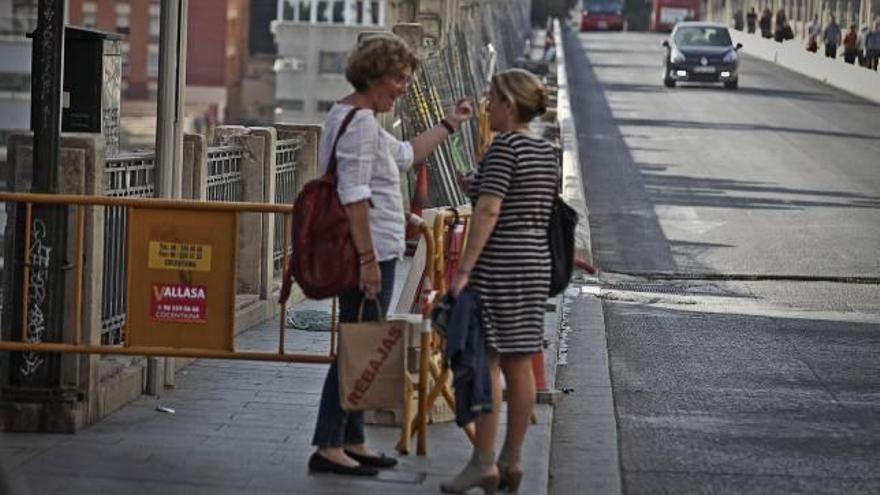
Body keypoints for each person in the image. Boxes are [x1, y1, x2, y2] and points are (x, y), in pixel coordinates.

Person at [300, 34, 474, 477]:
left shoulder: (354, 117)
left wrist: (449, 123)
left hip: (375, 251)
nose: (403, 88)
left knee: (364, 344)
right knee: (355, 349)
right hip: (367, 255)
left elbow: (404, 156)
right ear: (376, 76)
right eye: (399, 79)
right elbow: (354, 195)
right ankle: (328, 445)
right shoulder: (358, 123)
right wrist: (368, 262)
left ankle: (353, 439)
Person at [441, 68, 558, 494]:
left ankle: (483, 462)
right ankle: (513, 458)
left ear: (509, 104)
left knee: (487, 360)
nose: (487, 106)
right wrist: (476, 183)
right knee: (520, 361)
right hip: (534, 263)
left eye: (492, 98)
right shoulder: (543, 151)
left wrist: (465, 269)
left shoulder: (504, 148)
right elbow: (528, 201)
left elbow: (490, 211)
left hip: (499, 263)